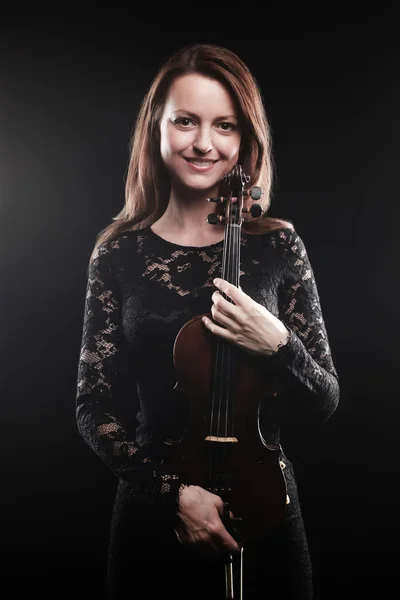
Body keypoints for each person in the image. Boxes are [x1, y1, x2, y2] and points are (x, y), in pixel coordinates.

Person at [75, 43, 340, 599]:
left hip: (265, 505)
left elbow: (324, 400)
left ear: (245, 139)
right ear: (158, 128)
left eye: (225, 125)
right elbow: (93, 407)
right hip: (153, 512)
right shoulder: (118, 253)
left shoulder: (279, 246)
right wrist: (174, 493)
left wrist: (279, 344)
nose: (204, 143)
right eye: (186, 121)